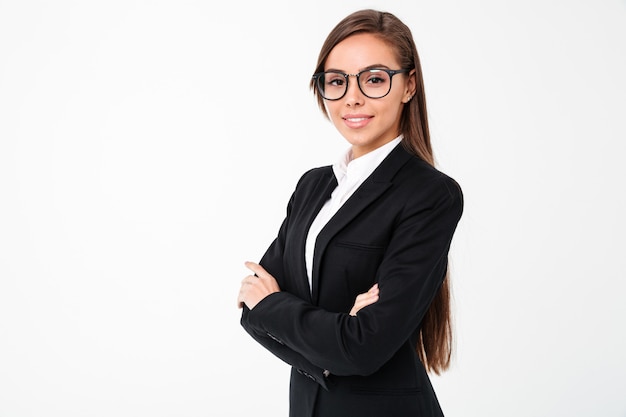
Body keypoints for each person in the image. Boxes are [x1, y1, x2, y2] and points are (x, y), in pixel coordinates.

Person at [237, 8, 463, 417]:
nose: (352, 97)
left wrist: (278, 308)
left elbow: (364, 348)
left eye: (374, 79)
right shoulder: (313, 185)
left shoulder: (430, 195)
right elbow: (251, 315)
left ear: (409, 85)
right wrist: (334, 339)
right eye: (337, 82)